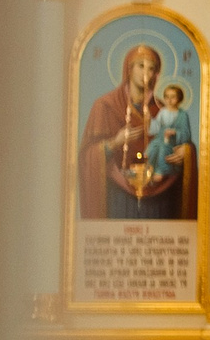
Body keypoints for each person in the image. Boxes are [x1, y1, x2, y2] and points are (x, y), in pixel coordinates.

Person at [79, 43, 197, 219]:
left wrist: (186, 152)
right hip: (119, 196)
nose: (146, 73)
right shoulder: (105, 106)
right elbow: (87, 155)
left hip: (159, 199)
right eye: (141, 66)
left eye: (151, 69)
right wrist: (115, 142)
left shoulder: (163, 110)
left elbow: (181, 141)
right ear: (129, 69)